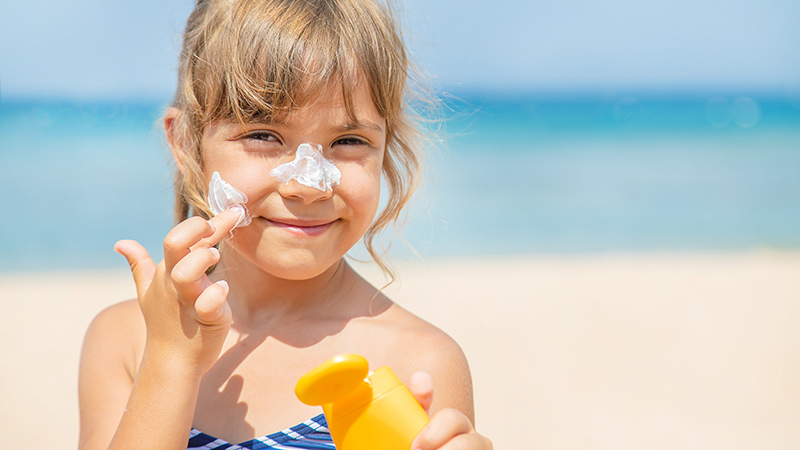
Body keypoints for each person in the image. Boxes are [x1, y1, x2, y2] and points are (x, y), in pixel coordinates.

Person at [78, 0, 492, 449]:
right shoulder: (127, 341)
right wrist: (171, 359)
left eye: (349, 140)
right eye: (263, 135)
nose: (307, 185)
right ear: (185, 142)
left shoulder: (418, 361)